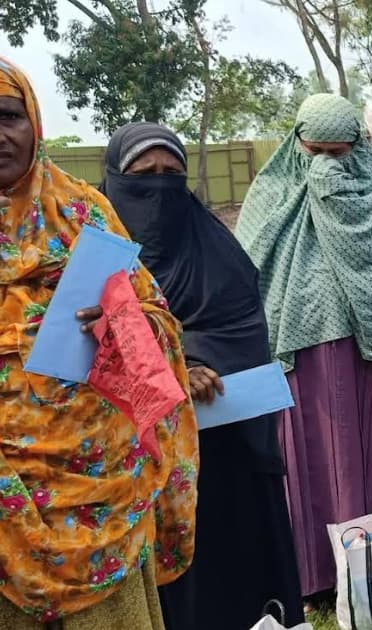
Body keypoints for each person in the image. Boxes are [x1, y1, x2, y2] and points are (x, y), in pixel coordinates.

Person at [0, 57, 198, 629]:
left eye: (9, 115)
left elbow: (156, 319)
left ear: (33, 122)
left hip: (98, 486)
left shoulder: (82, 211)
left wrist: (121, 324)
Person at [235, 93, 372, 601]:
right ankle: (316, 573)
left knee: (371, 452)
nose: (326, 167)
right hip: (303, 351)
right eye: (316, 153)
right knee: (316, 454)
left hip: (371, 350)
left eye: (339, 152)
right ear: (297, 144)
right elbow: (248, 264)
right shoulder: (272, 196)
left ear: (356, 148)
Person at [101, 123, 303, 630]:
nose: (159, 189)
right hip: (135, 456)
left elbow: (243, 329)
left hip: (222, 447)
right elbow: (86, 345)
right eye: (143, 177)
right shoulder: (97, 254)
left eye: (172, 175)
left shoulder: (215, 247)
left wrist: (200, 364)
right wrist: (175, 369)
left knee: (227, 568)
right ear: (114, 182)